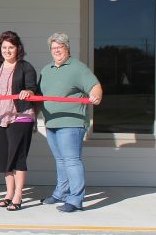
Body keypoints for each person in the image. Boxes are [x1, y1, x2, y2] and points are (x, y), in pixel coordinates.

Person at [25, 32, 102, 213]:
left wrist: (96, 95)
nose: (56, 50)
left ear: (67, 48)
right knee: (60, 161)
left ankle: (75, 200)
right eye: (53, 48)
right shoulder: (46, 70)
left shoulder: (78, 68)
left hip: (71, 122)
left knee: (72, 160)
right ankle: (61, 193)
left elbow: (95, 86)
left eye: (60, 47)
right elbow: (39, 97)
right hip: (51, 122)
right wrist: (35, 118)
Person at [0, 31, 38, 211]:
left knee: (18, 157)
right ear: (0, 49)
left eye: (11, 47)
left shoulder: (26, 67)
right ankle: (9, 193)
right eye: (4, 47)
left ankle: (18, 195)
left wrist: (28, 93)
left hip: (21, 116)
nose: (7, 51)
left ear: (18, 49)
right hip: (0, 117)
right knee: (5, 158)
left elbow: (32, 89)